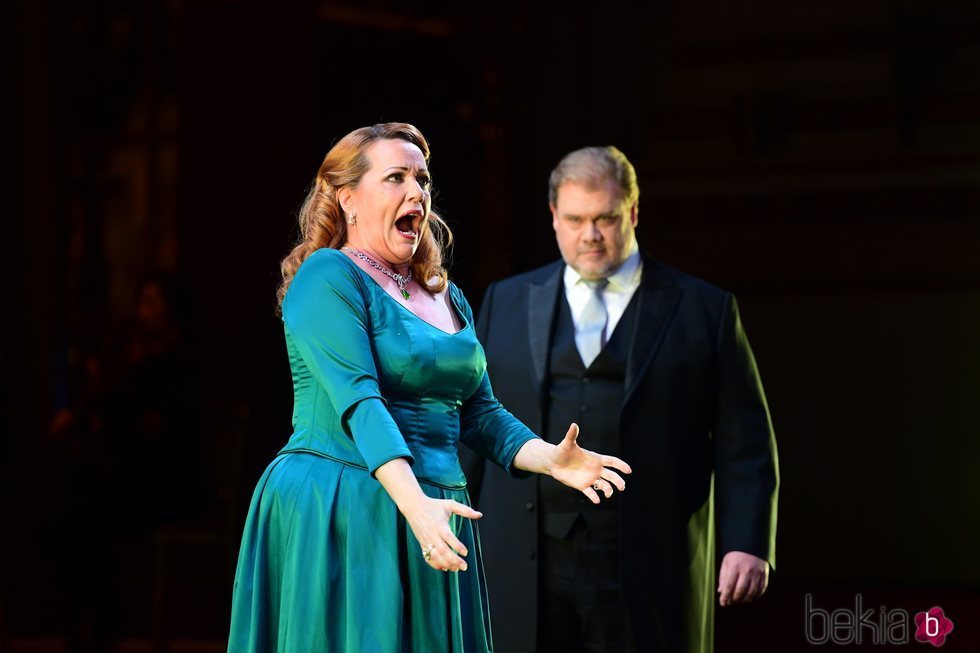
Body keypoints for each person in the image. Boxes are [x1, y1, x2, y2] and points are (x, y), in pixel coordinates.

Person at [227, 123, 632, 652]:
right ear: (348, 199)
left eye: (421, 177)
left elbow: (481, 413)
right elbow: (359, 401)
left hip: (436, 505)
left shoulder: (446, 295)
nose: (416, 191)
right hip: (347, 501)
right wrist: (415, 506)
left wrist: (550, 459)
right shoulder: (329, 276)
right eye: (395, 177)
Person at [467, 146, 779, 653]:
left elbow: (745, 439)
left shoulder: (704, 309)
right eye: (575, 219)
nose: (590, 235)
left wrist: (747, 541)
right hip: (526, 553)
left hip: (650, 552)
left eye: (606, 219)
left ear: (632, 213)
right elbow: (475, 417)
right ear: (553, 218)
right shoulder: (506, 298)